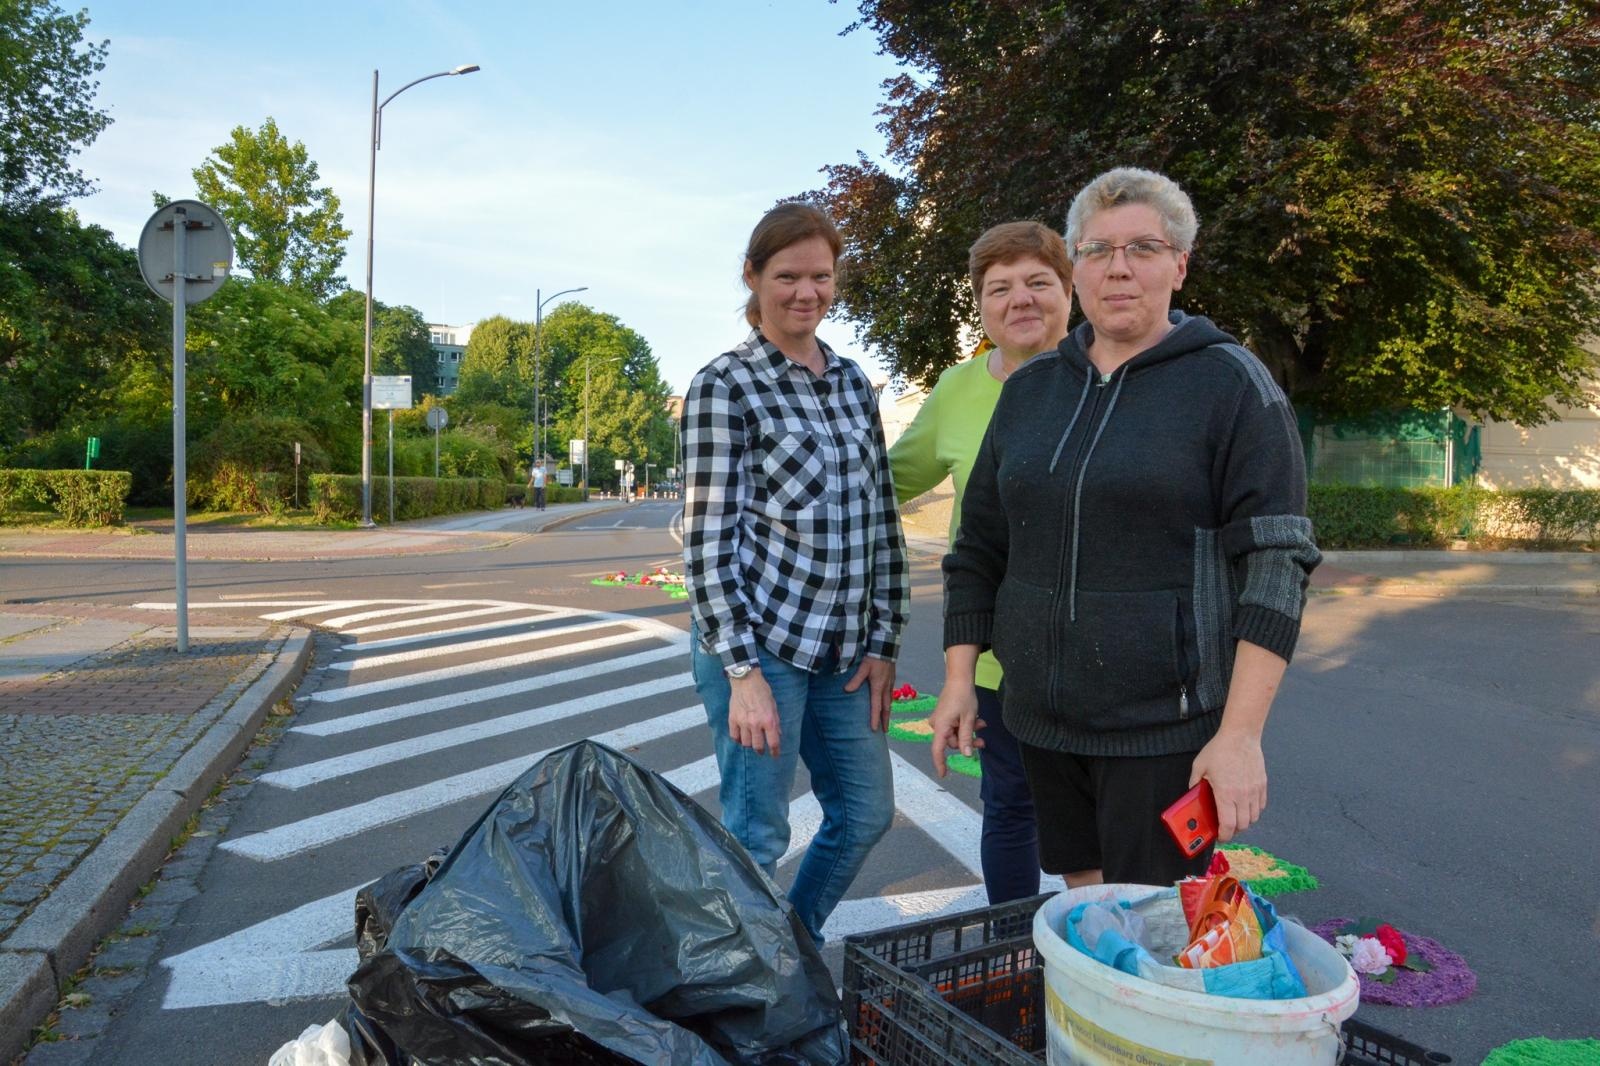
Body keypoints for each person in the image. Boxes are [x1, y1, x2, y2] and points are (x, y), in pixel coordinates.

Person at [936, 167, 1320, 889]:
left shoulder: (1232, 385)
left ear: (1180, 263)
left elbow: (1277, 561)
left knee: (1153, 934)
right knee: (1087, 912)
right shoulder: (1030, 391)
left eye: (1142, 247)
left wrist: (1239, 736)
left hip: (1162, 733)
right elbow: (980, 546)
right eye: (1097, 249)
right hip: (1043, 725)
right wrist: (960, 677)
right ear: (1075, 268)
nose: (1118, 268)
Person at [682, 202, 909, 944]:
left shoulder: (851, 382)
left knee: (867, 812)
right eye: (787, 276)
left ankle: (791, 945)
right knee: (756, 837)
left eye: (821, 276)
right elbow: (708, 537)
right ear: (753, 278)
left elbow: (880, 520)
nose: (805, 292)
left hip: (844, 653)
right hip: (764, 647)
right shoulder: (724, 384)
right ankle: (744, 1002)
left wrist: (884, 642)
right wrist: (741, 670)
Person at [889, 221, 1073, 904]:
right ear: (982, 305)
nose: (1020, 300)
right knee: (1012, 807)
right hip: (998, 649)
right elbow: (888, 480)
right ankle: (1016, 950)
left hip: (1102, 650)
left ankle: (1106, 970)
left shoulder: (1111, 373)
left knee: (1111, 818)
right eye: (1000, 288)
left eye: (1037, 282)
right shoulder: (960, 389)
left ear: (1069, 290)